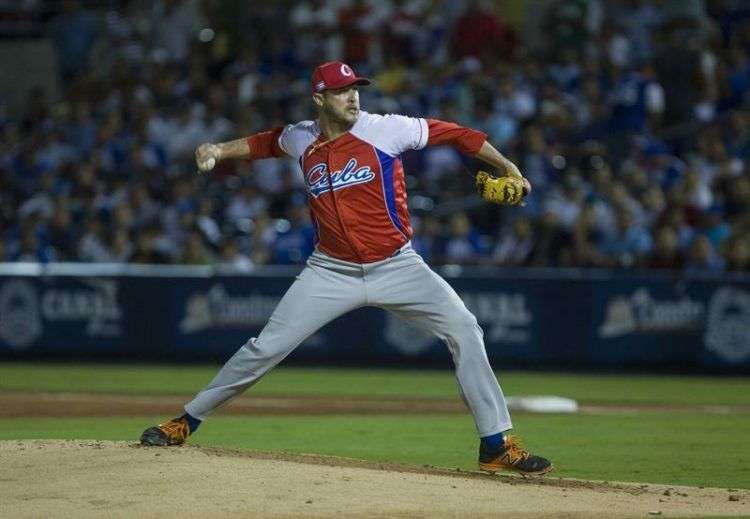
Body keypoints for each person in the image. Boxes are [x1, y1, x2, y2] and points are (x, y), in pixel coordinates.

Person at [139, 61, 551, 476]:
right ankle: (185, 421)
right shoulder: (302, 137)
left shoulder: (386, 129)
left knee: (465, 328)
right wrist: (217, 149)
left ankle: (495, 444)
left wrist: (507, 166)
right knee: (264, 348)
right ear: (319, 98)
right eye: (341, 91)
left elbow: (460, 135)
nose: (353, 96)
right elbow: (265, 143)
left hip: (398, 266)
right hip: (330, 270)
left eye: (355, 88)